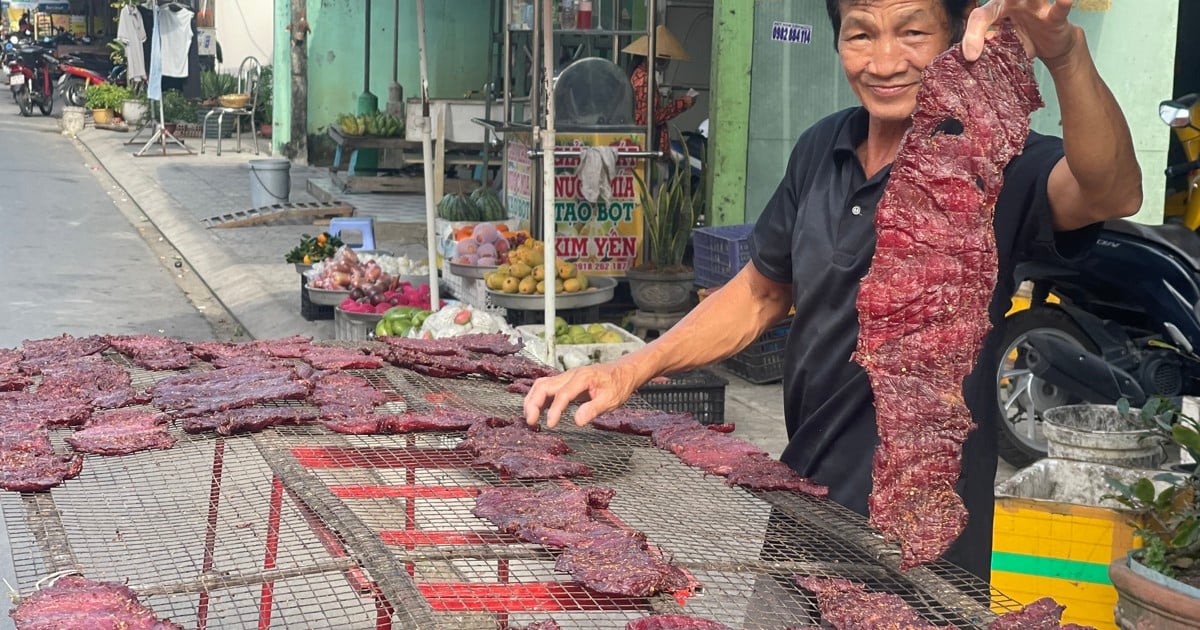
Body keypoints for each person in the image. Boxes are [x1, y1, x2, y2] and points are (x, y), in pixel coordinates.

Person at [524, 0, 1142, 582]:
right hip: (805, 503)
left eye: (912, 31)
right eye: (860, 33)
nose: (884, 61)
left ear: (956, 34)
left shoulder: (992, 161)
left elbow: (1112, 191)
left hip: (923, 536)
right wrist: (632, 369)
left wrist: (1063, 54)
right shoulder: (822, 147)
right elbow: (764, 293)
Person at [623, 25, 698, 156]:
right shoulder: (644, 80)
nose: (665, 61)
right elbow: (651, 117)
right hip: (648, 147)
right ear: (651, 56)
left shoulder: (641, 75)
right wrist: (681, 104)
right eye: (663, 57)